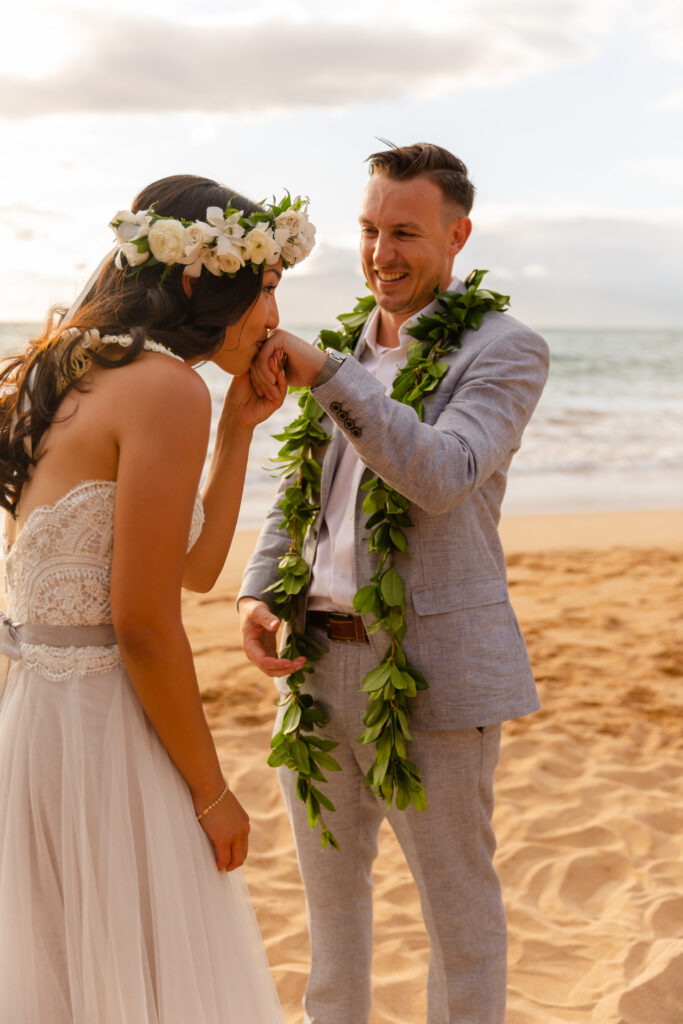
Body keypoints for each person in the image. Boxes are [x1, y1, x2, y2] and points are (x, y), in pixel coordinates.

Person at [238, 142, 550, 1024]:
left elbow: (443, 471)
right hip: (313, 669)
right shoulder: (339, 348)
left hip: (435, 675)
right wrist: (258, 591)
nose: (382, 252)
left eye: (405, 232)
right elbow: (304, 496)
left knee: (458, 918)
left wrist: (332, 377)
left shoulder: (505, 350)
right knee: (330, 918)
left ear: (458, 236)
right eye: (371, 229)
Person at [0, 173, 315, 1023]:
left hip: (35, 725)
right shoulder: (165, 387)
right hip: (106, 732)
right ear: (195, 279)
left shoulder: (68, 371)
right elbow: (144, 626)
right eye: (267, 287)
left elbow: (194, 566)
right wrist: (212, 792)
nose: (273, 318)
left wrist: (237, 431)